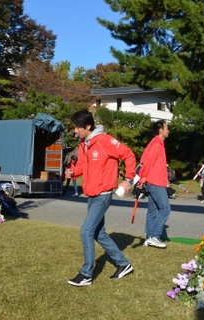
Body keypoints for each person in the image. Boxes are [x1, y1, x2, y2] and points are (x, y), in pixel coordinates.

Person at [65, 109, 137, 287]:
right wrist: (74, 171)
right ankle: (123, 264)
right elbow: (82, 165)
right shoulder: (84, 144)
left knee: (86, 232)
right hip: (91, 195)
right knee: (99, 233)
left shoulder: (104, 140)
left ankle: (86, 274)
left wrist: (128, 180)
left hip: (103, 195)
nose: (75, 130)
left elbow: (129, 154)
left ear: (88, 126)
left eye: (77, 127)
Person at [136, 120, 171, 249]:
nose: (168, 130)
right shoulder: (156, 144)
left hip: (155, 181)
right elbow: (147, 162)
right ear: (161, 130)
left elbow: (145, 159)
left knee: (153, 210)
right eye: (167, 128)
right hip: (155, 182)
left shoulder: (156, 143)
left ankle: (149, 236)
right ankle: (154, 236)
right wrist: (142, 178)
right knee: (165, 208)